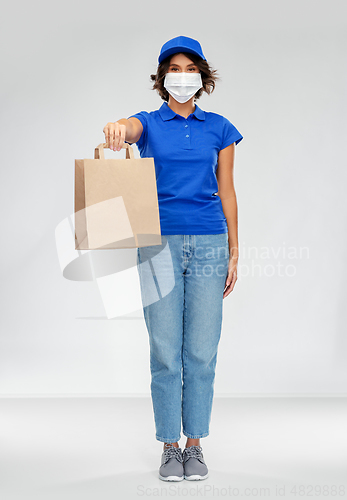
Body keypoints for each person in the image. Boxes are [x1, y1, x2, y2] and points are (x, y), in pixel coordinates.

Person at [103, 35, 243, 482]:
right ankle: (169, 446)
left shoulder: (220, 127)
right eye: (173, 69)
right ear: (162, 78)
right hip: (156, 242)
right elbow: (130, 128)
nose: (182, 76)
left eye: (189, 68)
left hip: (209, 242)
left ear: (202, 76)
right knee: (165, 350)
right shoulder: (149, 121)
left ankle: (195, 445)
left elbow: (228, 189)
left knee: (201, 351)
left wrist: (235, 248)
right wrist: (117, 129)